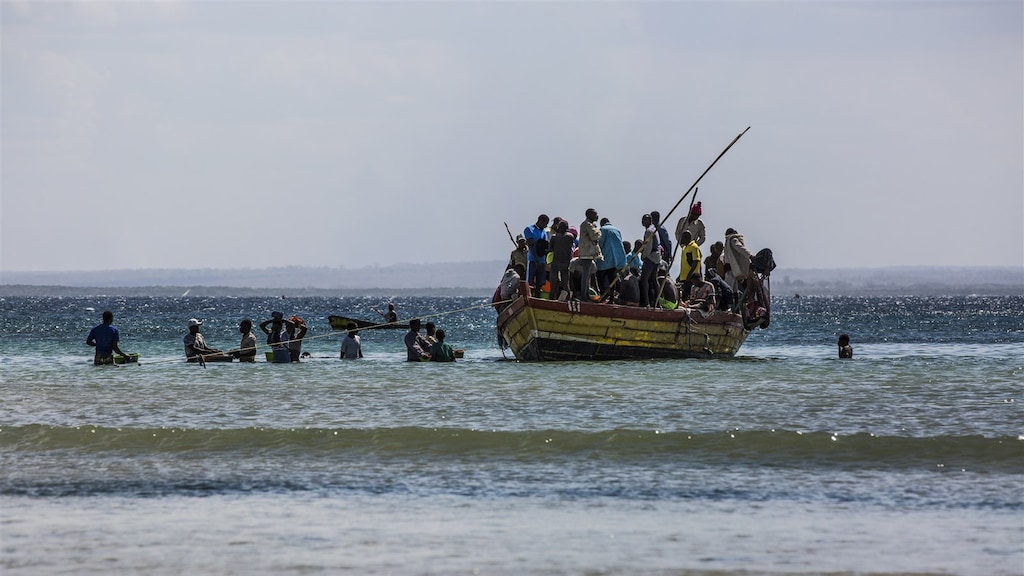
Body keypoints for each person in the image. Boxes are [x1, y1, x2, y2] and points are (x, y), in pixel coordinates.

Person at [596, 217, 627, 298]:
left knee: (600, 277)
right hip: (614, 260)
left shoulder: (602, 229)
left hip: (604, 259)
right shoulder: (617, 230)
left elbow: (600, 244)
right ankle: (612, 297)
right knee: (612, 279)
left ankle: (602, 294)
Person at [577, 208, 602, 301]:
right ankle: (584, 297)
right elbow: (594, 235)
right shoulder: (587, 224)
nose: (597, 216)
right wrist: (599, 232)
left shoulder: (591, 225)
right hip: (586, 254)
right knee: (586, 276)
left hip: (589, 254)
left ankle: (586, 295)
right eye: (595, 214)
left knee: (588, 276)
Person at [721, 228, 754, 297]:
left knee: (728, 287)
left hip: (732, 268)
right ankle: (734, 304)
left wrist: (750, 256)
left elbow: (740, 248)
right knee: (733, 288)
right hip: (730, 268)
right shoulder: (729, 241)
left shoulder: (732, 240)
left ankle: (729, 304)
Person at [523, 214, 550, 295]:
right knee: (530, 281)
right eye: (545, 223)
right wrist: (536, 260)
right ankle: (529, 296)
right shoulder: (529, 229)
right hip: (532, 259)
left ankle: (537, 296)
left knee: (540, 282)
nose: (546, 226)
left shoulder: (544, 232)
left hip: (542, 260)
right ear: (540, 221)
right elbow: (531, 246)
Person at [639, 213, 662, 308]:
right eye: (642, 219)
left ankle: (647, 302)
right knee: (654, 279)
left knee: (644, 279)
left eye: (645, 220)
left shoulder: (649, 231)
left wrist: (644, 256)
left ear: (650, 220)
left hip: (651, 257)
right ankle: (657, 303)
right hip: (657, 257)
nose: (643, 221)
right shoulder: (654, 229)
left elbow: (648, 247)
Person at [548, 220, 575, 301]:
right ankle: (568, 299)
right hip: (566, 262)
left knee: (553, 283)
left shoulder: (554, 237)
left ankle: (552, 299)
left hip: (556, 262)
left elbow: (550, 249)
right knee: (565, 283)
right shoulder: (570, 237)